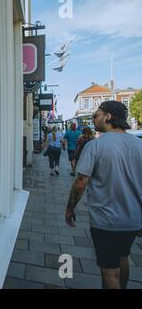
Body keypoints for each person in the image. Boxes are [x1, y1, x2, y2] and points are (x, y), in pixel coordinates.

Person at [65, 101, 142, 289]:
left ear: (108, 117)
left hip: (106, 220)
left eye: (96, 115)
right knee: (123, 257)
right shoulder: (139, 145)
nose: (93, 120)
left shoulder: (95, 146)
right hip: (132, 218)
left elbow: (80, 183)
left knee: (109, 270)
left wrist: (69, 208)